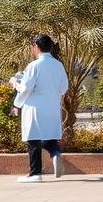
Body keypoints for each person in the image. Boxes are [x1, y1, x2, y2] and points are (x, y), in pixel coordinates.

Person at [10, 34, 69, 183]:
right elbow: (64, 88)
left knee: (33, 139)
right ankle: (55, 154)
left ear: (36, 47)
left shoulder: (34, 65)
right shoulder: (58, 65)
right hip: (52, 107)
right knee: (49, 136)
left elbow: (26, 87)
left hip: (35, 107)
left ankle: (35, 173)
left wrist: (16, 85)